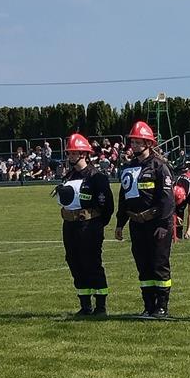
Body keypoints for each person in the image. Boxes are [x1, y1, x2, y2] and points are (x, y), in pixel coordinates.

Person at [115, 121, 175, 318]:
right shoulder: (128, 168)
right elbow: (123, 197)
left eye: (138, 142)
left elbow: (167, 199)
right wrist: (120, 223)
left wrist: (164, 224)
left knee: (159, 264)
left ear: (149, 143)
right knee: (143, 265)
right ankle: (148, 305)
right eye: (133, 142)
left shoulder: (160, 167)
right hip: (136, 224)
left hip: (156, 223)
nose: (134, 146)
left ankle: (162, 306)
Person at [56, 133, 114, 317]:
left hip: (90, 226)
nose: (71, 156)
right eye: (69, 153)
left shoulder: (96, 176)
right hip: (70, 225)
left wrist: (97, 223)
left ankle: (101, 306)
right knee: (74, 261)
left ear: (84, 154)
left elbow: (107, 206)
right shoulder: (69, 175)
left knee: (92, 263)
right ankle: (85, 305)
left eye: (74, 153)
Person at [173, 161, 190, 240]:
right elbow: (169, 206)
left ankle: (187, 232)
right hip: (181, 187)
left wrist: (188, 231)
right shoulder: (173, 187)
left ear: (184, 197)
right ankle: (178, 234)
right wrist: (175, 215)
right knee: (179, 210)